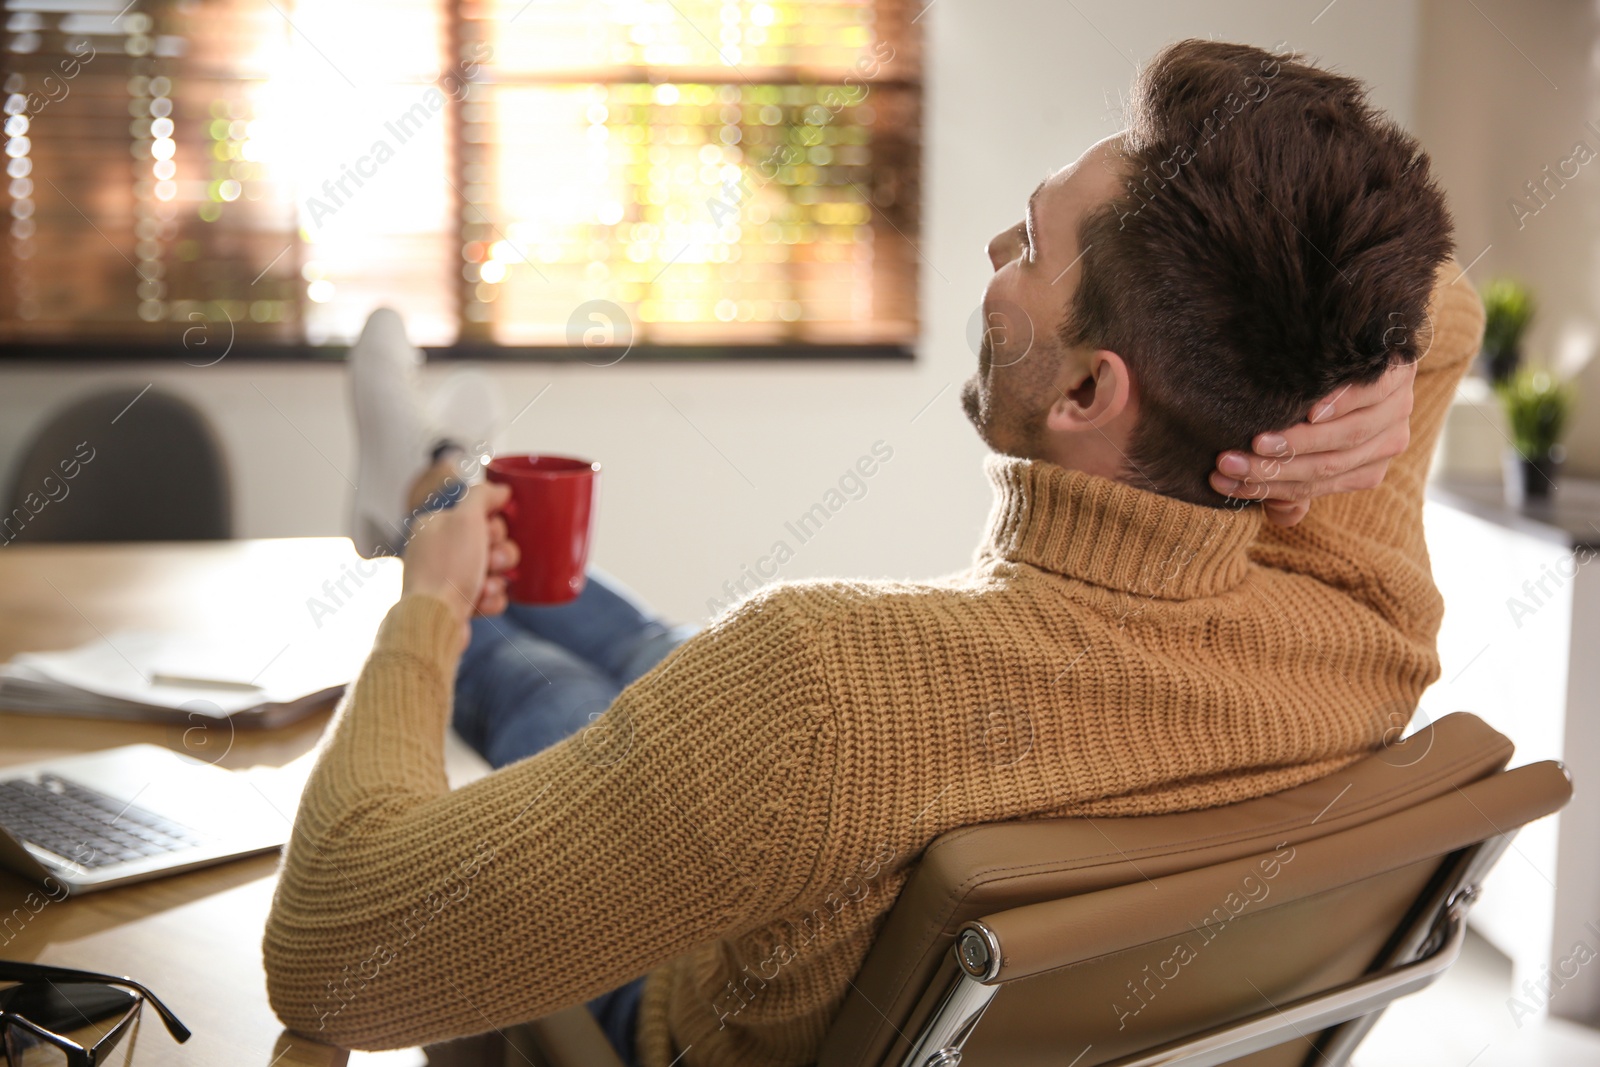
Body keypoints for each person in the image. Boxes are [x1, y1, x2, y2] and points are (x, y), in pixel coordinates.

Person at [263, 39, 1482, 1067]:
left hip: (680, 1004)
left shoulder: (824, 685)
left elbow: (324, 946)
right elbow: (1441, 300)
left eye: (1026, 243)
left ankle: (415, 514)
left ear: (1085, 389)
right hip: (822, 812)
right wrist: (1365, 357)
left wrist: (422, 611)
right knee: (644, 648)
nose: (993, 260)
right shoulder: (1358, 598)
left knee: (544, 688)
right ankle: (430, 483)